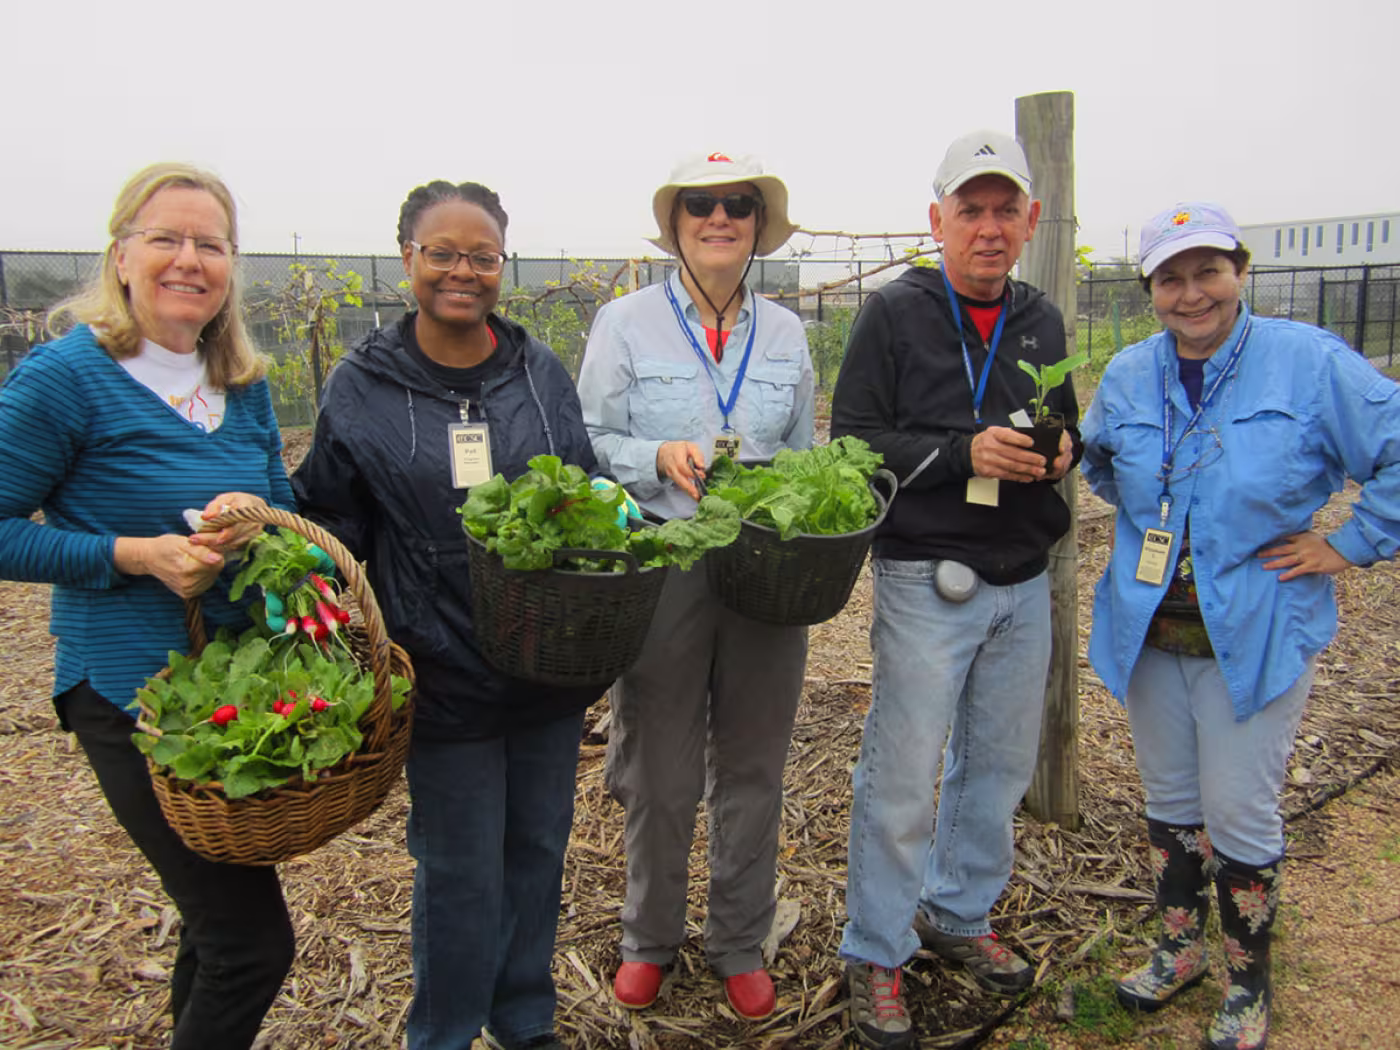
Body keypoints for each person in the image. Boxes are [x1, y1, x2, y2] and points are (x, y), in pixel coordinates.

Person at [1082, 202, 1400, 1050]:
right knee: (1172, 801)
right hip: (1150, 633)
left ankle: (1247, 982)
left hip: (1254, 631)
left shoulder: (1306, 364)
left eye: (1207, 272)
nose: (1192, 295)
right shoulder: (1128, 373)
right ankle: (1179, 951)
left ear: (1239, 272)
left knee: (1239, 810)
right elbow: (1101, 461)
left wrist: (1353, 542)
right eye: (1171, 278)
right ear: (1150, 288)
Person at [292, 180, 601, 1050]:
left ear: (502, 265)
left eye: (483, 256)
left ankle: (524, 1018)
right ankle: (444, 1031)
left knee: (538, 850)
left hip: (544, 661)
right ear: (407, 260)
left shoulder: (537, 373)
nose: (463, 272)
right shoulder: (362, 386)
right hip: (440, 666)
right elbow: (334, 523)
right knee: (460, 869)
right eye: (443, 254)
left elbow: (582, 493)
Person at [0, 164, 296, 1048]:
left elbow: (286, 502)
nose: (188, 259)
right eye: (166, 237)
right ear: (122, 252)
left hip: (228, 700)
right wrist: (130, 554)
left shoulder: (240, 380)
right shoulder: (67, 378)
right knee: (253, 944)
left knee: (219, 930)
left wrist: (259, 529)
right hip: (131, 696)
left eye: (210, 243)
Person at [829, 130, 1081, 1049]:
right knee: (902, 776)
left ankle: (959, 913)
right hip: (926, 576)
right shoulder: (893, 314)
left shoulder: (1041, 318)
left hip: (1024, 575)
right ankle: (878, 950)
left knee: (999, 768)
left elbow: (1068, 433)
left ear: (1030, 220)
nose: (986, 227)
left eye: (1002, 209)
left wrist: (1062, 451)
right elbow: (852, 442)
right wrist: (961, 452)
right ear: (936, 221)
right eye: (967, 210)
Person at [575, 151, 814, 1022]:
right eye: (702, 205)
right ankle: (649, 936)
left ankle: (740, 939)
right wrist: (654, 458)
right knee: (660, 767)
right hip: (664, 563)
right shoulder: (624, 323)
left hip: (763, 570)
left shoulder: (786, 334)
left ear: (756, 225)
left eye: (739, 206)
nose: (721, 218)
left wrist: (787, 499)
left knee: (754, 762)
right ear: (675, 225)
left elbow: (803, 451)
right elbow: (590, 436)